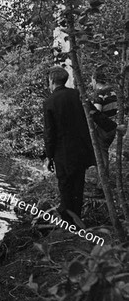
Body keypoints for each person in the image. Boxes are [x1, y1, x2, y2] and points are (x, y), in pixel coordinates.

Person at [44, 66, 95, 225]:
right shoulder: (78, 95)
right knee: (78, 187)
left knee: (65, 188)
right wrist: (113, 126)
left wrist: (49, 157)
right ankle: (78, 221)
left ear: (52, 81)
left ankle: (68, 224)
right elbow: (94, 114)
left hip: (62, 153)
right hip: (81, 150)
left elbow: (49, 133)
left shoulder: (49, 102)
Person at [91, 68, 117, 177]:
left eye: (91, 80)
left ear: (95, 80)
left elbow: (96, 113)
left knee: (102, 155)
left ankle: (102, 183)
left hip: (104, 127)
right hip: (112, 127)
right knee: (104, 152)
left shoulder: (99, 93)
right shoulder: (112, 91)